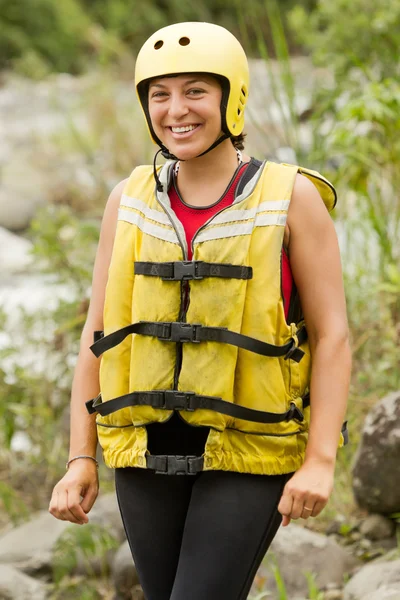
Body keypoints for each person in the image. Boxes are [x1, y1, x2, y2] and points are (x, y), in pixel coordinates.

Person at [49, 22, 351, 600]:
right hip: (143, 451)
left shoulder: (294, 198)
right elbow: (99, 332)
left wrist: (320, 461)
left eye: (195, 91)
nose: (175, 110)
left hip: (251, 449)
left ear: (230, 99)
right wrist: (79, 457)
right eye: (159, 95)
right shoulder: (128, 198)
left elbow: (333, 335)